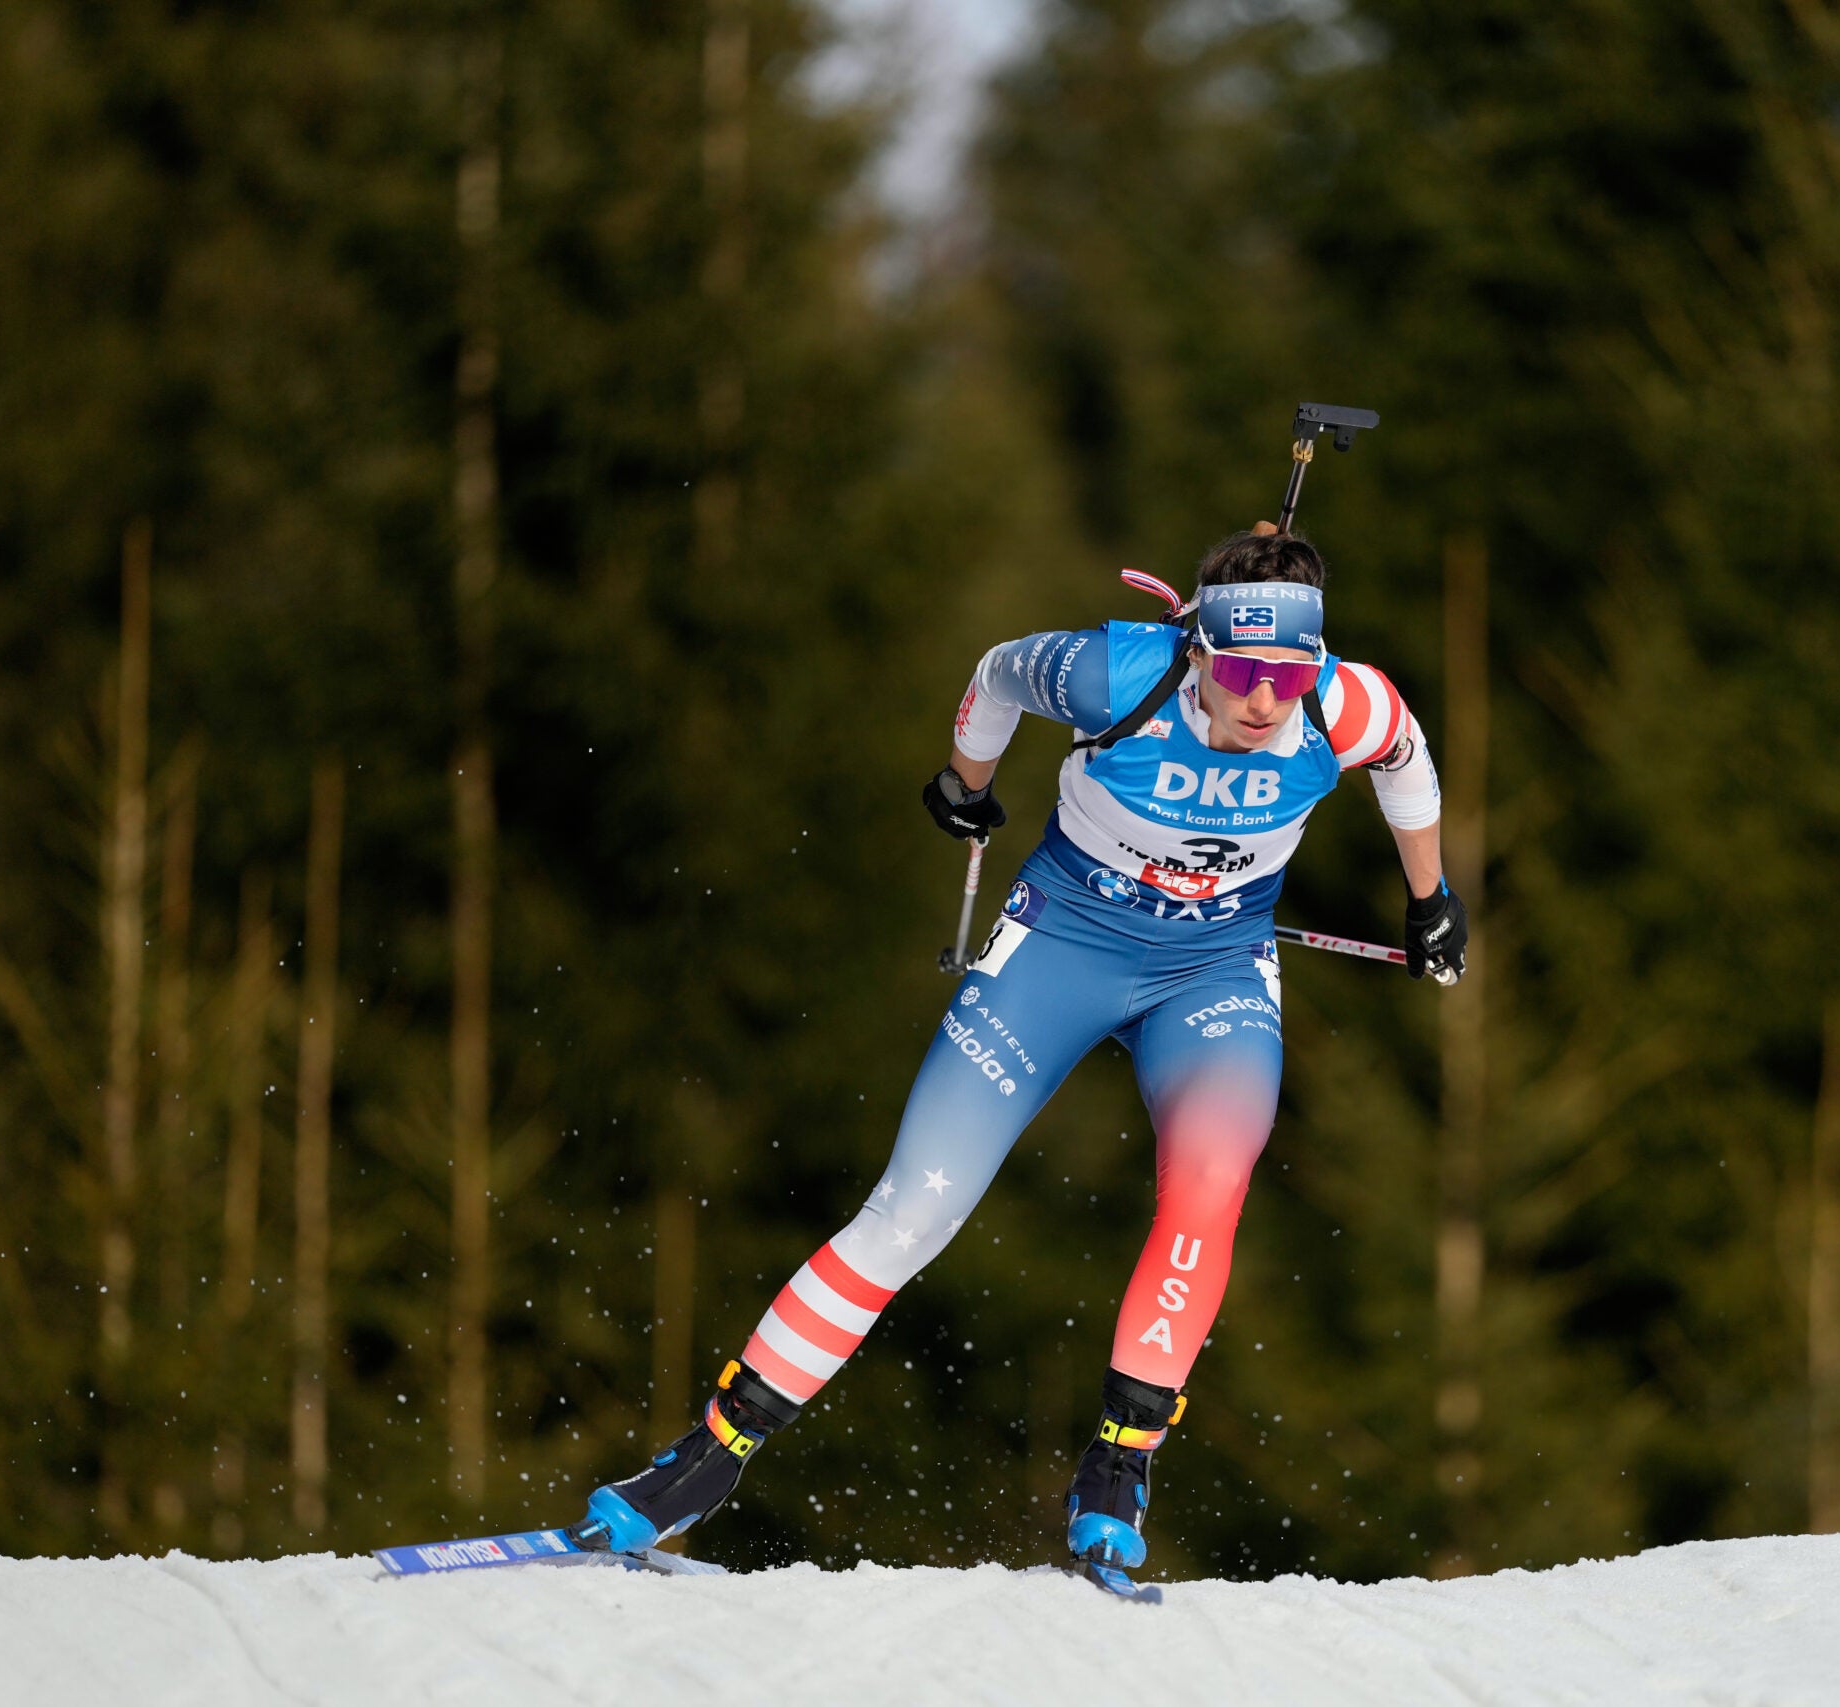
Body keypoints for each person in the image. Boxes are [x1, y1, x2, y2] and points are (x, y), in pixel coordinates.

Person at [576, 523, 1466, 1583]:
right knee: (915, 1203)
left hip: (1213, 971)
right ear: (1196, 652)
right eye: (1240, 670)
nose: (1266, 700)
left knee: (1207, 1188)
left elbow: (1405, 762)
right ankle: (705, 1459)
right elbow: (997, 674)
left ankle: (1116, 1471)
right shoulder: (1114, 674)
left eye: (1287, 673)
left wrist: (1431, 896)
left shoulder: (1345, 702)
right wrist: (965, 781)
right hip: (1064, 946)